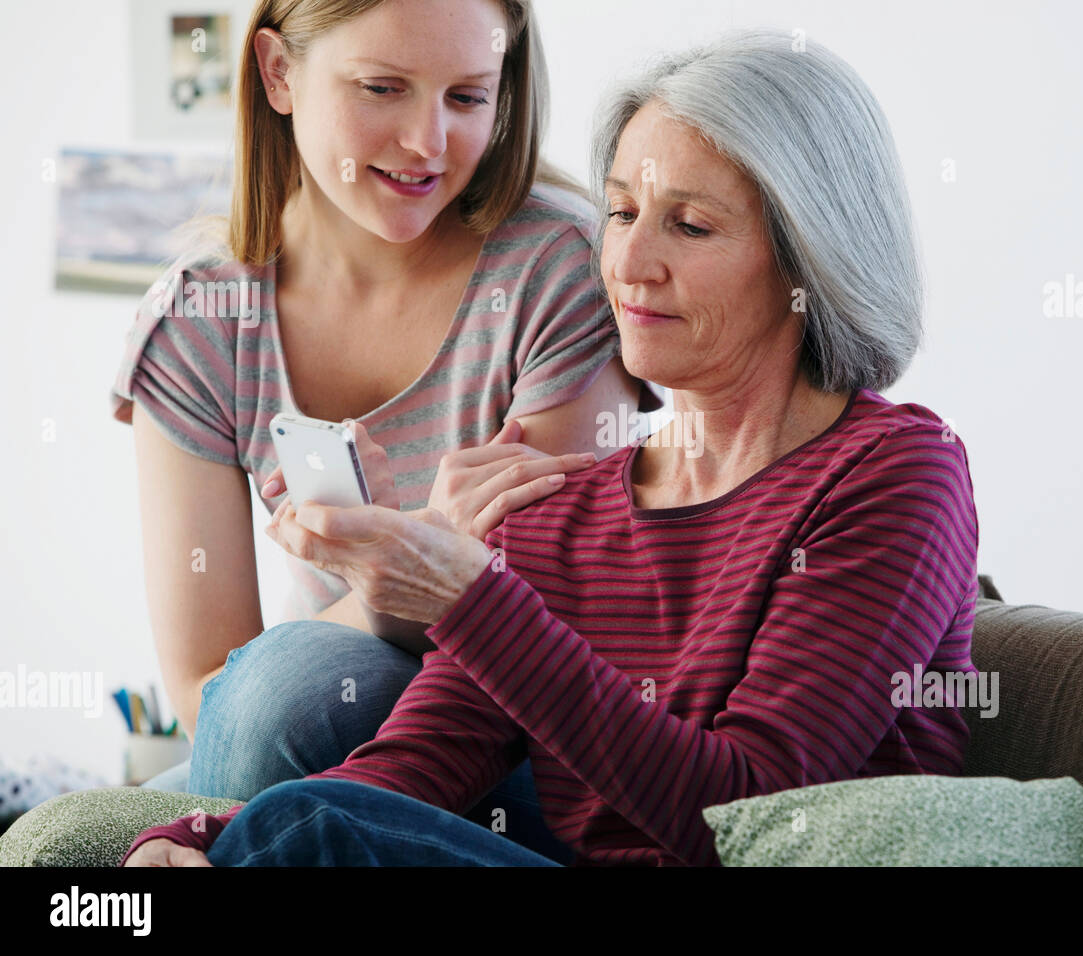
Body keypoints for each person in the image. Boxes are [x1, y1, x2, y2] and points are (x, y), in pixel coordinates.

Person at [123, 28, 980, 868]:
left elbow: (751, 816)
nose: (630, 264)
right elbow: (408, 775)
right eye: (621, 212)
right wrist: (194, 836)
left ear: (809, 256)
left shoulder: (895, 473)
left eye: (690, 226)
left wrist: (473, 597)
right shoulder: (555, 510)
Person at [109, 0, 654, 830]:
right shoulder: (201, 317)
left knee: (290, 694)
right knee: (265, 705)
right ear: (278, 72)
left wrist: (408, 583)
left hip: (528, 726)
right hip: (306, 711)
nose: (428, 143)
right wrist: (397, 582)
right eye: (383, 88)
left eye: (467, 98)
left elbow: (551, 626)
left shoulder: (558, 269)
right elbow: (204, 690)